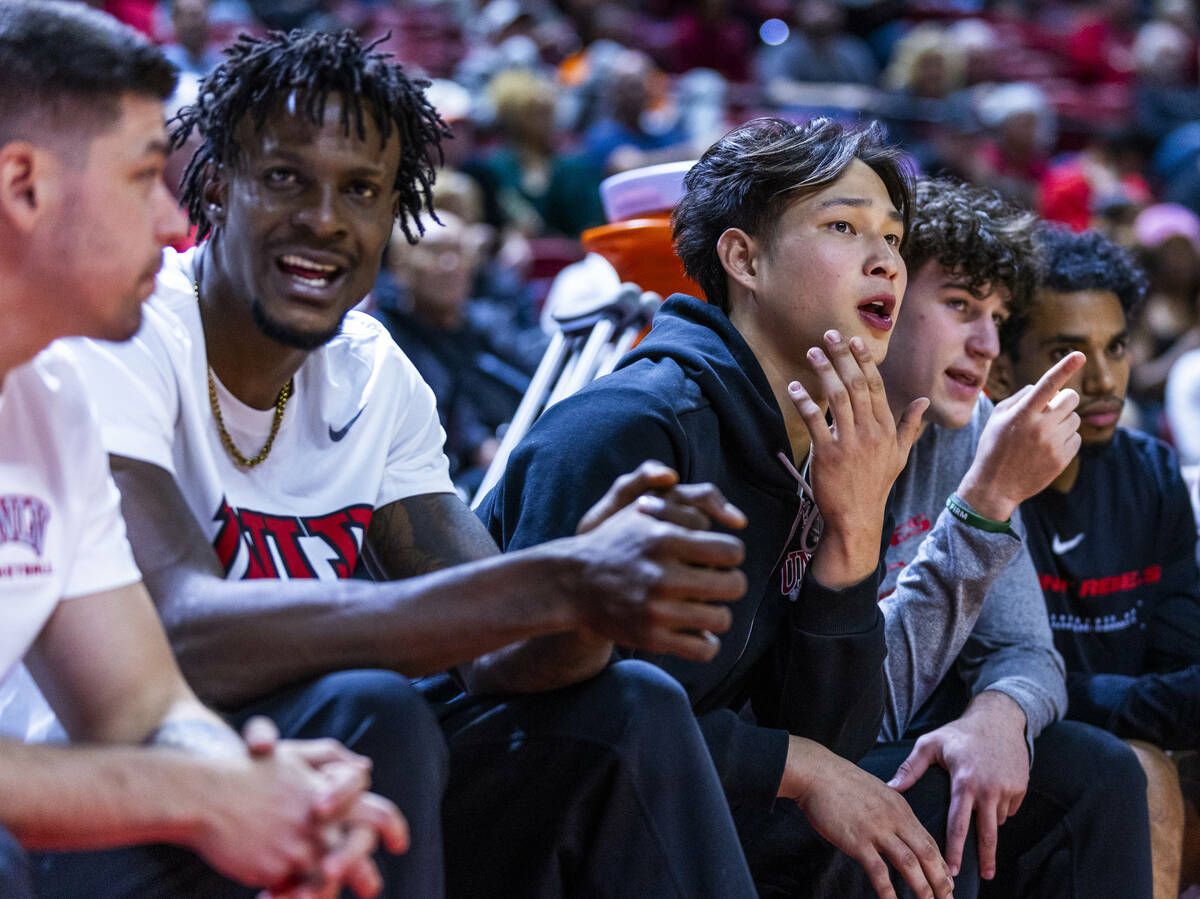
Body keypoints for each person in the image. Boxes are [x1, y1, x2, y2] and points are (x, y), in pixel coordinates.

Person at [68, 26, 758, 899]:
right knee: (374, 707)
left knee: (631, 705)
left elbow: (499, 656)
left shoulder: (374, 369)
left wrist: (596, 599)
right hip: (107, 804)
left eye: (361, 190)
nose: (324, 218)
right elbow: (175, 633)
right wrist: (550, 580)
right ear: (214, 183)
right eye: (286, 178)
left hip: (317, 785)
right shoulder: (122, 334)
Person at [479, 115, 959, 899]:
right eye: (844, 226)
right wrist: (794, 766)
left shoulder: (820, 447)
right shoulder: (630, 426)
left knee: (926, 815)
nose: (886, 262)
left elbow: (831, 743)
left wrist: (852, 537)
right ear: (742, 258)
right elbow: (583, 714)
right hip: (523, 806)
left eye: (895, 239)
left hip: (687, 795)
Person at [0, 3, 405, 897]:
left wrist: (258, 788)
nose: (171, 218)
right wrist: (198, 793)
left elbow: (140, 702)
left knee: (364, 734)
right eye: (145, 178)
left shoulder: (50, 396)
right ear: (24, 185)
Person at [870, 177, 1154, 898]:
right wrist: (987, 502)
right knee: (938, 800)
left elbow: (1028, 648)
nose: (988, 343)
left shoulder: (968, 432)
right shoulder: (813, 434)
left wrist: (1001, 714)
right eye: (962, 306)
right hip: (820, 755)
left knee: (1103, 770)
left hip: (921, 743)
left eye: (997, 315)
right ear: (881, 301)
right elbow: (857, 709)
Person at [990, 224, 1200, 899]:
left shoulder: (1153, 472)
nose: (1107, 379)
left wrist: (1140, 701)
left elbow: (1178, 649)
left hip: (1136, 729)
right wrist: (1146, 704)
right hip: (1015, 749)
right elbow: (987, 685)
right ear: (1004, 367)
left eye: (1115, 347)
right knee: (1137, 769)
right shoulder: (977, 480)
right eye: (1069, 354)